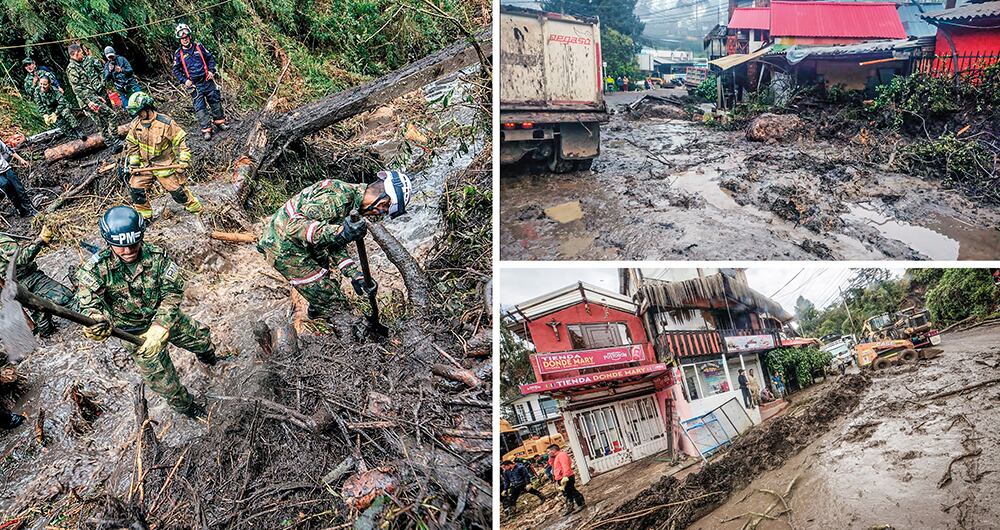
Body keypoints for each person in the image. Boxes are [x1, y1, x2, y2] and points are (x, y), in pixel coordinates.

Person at [76, 206, 218, 418]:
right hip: (133, 334)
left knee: (201, 339)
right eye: (120, 246)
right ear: (109, 242)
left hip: (165, 318)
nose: (128, 250)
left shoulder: (157, 257)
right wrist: (96, 320)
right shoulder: (95, 269)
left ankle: (211, 362)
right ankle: (188, 410)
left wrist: (160, 326)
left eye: (133, 244)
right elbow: (89, 302)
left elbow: (173, 292)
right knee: (164, 382)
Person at [256, 171, 412, 332]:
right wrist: (341, 232)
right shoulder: (337, 197)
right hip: (283, 247)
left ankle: (317, 309)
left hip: (302, 243)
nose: (379, 214)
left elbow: (334, 244)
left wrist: (354, 274)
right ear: (384, 202)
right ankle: (338, 336)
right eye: (384, 210)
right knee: (336, 305)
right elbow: (294, 227)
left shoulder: (351, 203)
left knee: (329, 280)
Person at [123, 91, 201, 219]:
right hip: (144, 166)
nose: (138, 115)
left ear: (148, 108)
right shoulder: (136, 124)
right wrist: (134, 164)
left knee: (178, 192)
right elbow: (132, 145)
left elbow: (181, 142)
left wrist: (183, 160)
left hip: (164, 165)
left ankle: (196, 209)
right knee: (136, 189)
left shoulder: (166, 123)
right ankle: (145, 217)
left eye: (139, 112)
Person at [0, 226, 76, 337]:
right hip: (28, 279)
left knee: (42, 319)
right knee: (67, 298)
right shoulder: (1, 241)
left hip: (15, 286)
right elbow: (21, 258)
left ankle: (47, 337)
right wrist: (41, 240)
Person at [172, 24, 228, 141]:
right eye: (182, 38)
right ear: (180, 40)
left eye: (186, 37)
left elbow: (210, 59)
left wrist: (212, 71)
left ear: (189, 36)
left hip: (207, 81)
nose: (185, 39)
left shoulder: (199, 47)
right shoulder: (179, 54)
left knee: (215, 101)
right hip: (194, 85)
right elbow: (176, 70)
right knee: (200, 108)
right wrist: (184, 80)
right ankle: (206, 130)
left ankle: (220, 122)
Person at [66, 43, 123, 153]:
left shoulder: (87, 61)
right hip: (88, 101)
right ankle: (114, 141)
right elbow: (77, 89)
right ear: (75, 53)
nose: (82, 55)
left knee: (105, 119)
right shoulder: (71, 69)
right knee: (109, 117)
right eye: (81, 53)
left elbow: (100, 73)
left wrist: (100, 89)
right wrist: (89, 102)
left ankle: (113, 143)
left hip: (95, 95)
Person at [34, 76, 86, 141]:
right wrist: (45, 115)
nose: (42, 86)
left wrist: (55, 113)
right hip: (51, 111)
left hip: (61, 108)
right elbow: (40, 105)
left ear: (49, 84)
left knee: (66, 113)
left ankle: (79, 130)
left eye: (45, 84)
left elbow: (62, 103)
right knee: (63, 126)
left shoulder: (54, 90)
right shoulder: (37, 92)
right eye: (41, 84)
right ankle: (75, 139)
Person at [547, 443, 585, 515]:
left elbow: (566, 466)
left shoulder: (562, 455)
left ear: (553, 450)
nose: (548, 453)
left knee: (572, 491)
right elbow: (551, 464)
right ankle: (570, 507)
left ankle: (581, 504)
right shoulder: (556, 457)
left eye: (549, 451)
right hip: (560, 478)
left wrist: (565, 476)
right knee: (567, 494)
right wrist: (551, 457)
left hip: (566, 477)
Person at [0, 140, 34, 217]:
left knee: (19, 188)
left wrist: (21, 159)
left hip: (6, 168)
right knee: (9, 190)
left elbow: (8, 150)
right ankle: (20, 209)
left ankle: (31, 209)